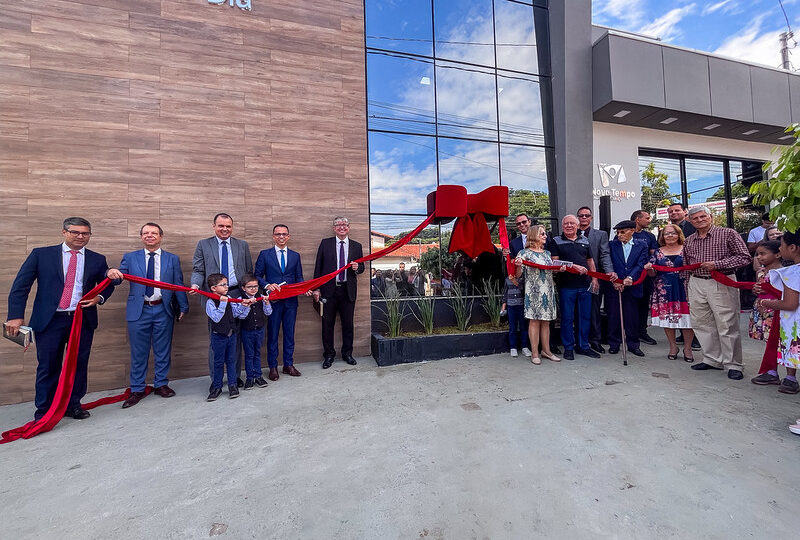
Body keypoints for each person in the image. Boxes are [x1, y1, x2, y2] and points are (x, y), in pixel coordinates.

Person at [5, 217, 114, 420]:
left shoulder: (97, 259)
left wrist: (99, 298)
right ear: (64, 232)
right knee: (48, 365)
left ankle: (73, 405)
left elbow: (107, 284)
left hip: (81, 320)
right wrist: (15, 316)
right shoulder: (41, 255)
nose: (80, 236)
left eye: (85, 233)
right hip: (49, 320)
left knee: (78, 364)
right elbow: (21, 286)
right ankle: (45, 410)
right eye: (75, 232)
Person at [107, 223, 190, 409]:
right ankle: (137, 388)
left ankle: (161, 384)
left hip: (163, 309)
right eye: (146, 233)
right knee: (139, 352)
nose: (150, 236)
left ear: (161, 236)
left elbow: (178, 284)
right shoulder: (130, 258)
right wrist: (111, 273)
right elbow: (120, 278)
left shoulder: (172, 259)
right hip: (139, 310)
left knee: (163, 349)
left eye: (154, 233)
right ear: (141, 237)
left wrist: (183, 306)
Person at [683, 206, 752, 380]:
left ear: (711, 216)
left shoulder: (728, 233)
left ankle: (733, 364)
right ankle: (712, 359)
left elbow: (744, 257)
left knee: (727, 323)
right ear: (690, 221)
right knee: (701, 323)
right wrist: (687, 288)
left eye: (702, 216)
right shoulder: (689, 240)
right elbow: (685, 265)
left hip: (722, 280)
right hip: (696, 282)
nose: (699, 220)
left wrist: (718, 264)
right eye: (695, 218)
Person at [190, 213, 253, 389]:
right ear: (214, 226)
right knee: (216, 339)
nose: (225, 229)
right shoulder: (204, 244)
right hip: (214, 297)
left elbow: (249, 270)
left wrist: (248, 295)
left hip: (236, 295)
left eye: (228, 226)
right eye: (221, 226)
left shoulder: (242, 245)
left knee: (236, 338)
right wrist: (195, 285)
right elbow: (198, 269)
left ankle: (234, 377)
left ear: (232, 227)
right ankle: (215, 380)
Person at [254, 224, 307, 381]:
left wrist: (305, 288)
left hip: (291, 302)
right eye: (278, 234)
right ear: (273, 236)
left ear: (288, 236)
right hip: (273, 302)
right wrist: (266, 285)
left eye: (284, 234)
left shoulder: (295, 256)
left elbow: (299, 277)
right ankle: (272, 367)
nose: (281, 237)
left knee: (290, 334)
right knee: (273, 335)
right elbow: (257, 276)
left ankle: (288, 365)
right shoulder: (265, 255)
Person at [312, 216, 365, 369]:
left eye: (345, 225)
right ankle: (329, 355)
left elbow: (361, 268)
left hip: (348, 291)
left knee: (348, 324)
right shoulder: (325, 243)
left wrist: (357, 268)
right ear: (334, 228)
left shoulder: (356, 246)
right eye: (338, 225)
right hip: (329, 291)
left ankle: (347, 353)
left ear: (349, 227)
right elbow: (318, 266)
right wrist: (316, 288)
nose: (342, 227)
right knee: (327, 325)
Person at [548, 215, 600, 360]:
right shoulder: (556, 241)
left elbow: (590, 261)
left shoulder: (585, 241)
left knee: (585, 317)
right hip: (566, 287)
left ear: (577, 226)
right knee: (567, 318)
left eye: (572, 223)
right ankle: (568, 348)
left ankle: (583, 346)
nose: (569, 225)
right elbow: (554, 264)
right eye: (566, 223)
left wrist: (594, 278)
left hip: (585, 285)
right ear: (562, 226)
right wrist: (572, 265)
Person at [643, 224, 695, 362]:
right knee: (667, 319)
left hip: (684, 288)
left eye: (673, 233)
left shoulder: (687, 249)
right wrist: (649, 268)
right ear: (662, 236)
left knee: (688, 320)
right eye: (666, 233)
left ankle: (688, 348)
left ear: (679, 234)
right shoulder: (658, 252)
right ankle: (673, 347)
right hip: (664, 290)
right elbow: (652, 273)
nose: (670, 236)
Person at [758, 230, 800, 399]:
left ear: (792, 247)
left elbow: (789, 304)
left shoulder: (791, 273)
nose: (780, 249)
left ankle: (791, 378)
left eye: (781, 245)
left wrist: (766, 302)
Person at [204, 274, 254, 401]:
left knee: (231, 361)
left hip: (232, 334)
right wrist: (222, 304)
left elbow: (236, 314)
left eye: (226, 284)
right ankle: (217, 387)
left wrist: (244, 305)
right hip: (218, 337)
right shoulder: (210, 302)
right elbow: (216, 318)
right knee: (218, 362)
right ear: (213, 288)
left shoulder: (230, 298)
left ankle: (233, 385)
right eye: (223, 285)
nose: (227, 287)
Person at [515, 225, 561, 363]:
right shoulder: (524, 253)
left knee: (546, 322)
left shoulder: (547, 253)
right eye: (542, 233)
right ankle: (535, 353)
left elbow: (551, 271)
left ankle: (546, 351)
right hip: (533, 292)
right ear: (534, 235)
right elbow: (518, 275)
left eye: (545, 233)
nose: (545, 236)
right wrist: (517, 265)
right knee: (534, 321)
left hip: (548, 289)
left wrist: (559, 268)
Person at [607, 220, 648, 357]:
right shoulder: (612, 245)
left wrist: (630, 277)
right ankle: (614, 344)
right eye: (617, 232)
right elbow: (608, 262)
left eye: (622, 232)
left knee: (632, 317)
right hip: (615, 285)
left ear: (632, 231)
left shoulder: (641, 245)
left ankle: (633, 344)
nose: (619, 235)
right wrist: (615, 279)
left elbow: (641, 263)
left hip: (632, 285)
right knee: (614, 316)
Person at [577, 206, 614, 353]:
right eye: (581, 215)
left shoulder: (600, 235)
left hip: (594, 278)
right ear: (578, 217)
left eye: (587, 215)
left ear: (591, 218)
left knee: (594, 311)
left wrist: (610, 271)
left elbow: (604, 255)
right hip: (574, 279)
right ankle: (578, 340)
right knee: (576, 312)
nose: (584, 218)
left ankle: (595, 340)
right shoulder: (570, 233)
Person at [238, 274, 272, 390]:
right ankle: (249, 378)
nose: (253, 289)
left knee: (257, 353)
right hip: (247, 331)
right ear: (243, 288)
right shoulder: (240, 299)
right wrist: (247, 305)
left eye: (255, 286)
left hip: (260, 330)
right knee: (249, 355)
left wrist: (267, 303)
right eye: (249, 287)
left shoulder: (261, 297)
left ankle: (258, 376)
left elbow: (268, 313)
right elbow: (240, 316)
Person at [631, 209, 659, 346]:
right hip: (629, 276)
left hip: (645, 276)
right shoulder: (626, 233)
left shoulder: (650, 236)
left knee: (643, 305)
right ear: (638, 219)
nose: (649, 220)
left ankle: (642, 332)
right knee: (630, 305)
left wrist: (650, 265)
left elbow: (654, 254)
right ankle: (629, 332)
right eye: (647, 218)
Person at [748, 241, 782, 344]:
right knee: (766, 336)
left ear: (777, 254)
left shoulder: (782, 272)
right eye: (757, 254)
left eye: (763, 254)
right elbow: (758, 289)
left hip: (774, 307)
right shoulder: (760, 272)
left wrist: (769, 290)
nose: (758, 257)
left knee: (776, 337)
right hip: (760, 306)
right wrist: (756, 290)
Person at [501, 275, 532, 359]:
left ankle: (524, 347)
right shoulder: (507, 279)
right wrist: (503, 306)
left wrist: (515, 281)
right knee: (512, 327)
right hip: (511, 306)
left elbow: (523, 289)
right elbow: (505, 293)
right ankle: (513, 347)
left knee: (523, 327)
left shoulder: (523, 279)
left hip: (521, 305)